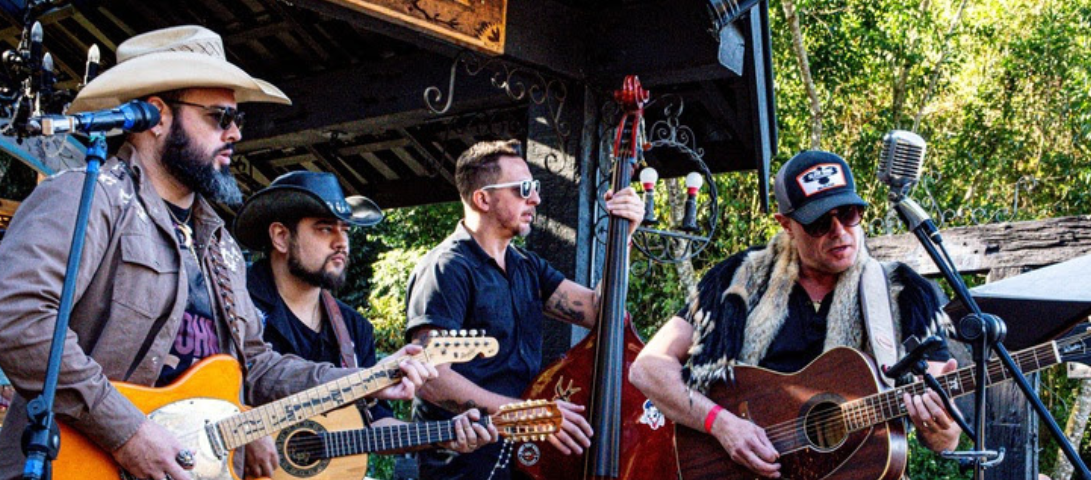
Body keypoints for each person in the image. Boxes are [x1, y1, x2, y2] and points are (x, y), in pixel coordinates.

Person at [0, 26, 435, 480]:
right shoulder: (87, 197)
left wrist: (367, 379)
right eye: (218, 117)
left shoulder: (219, 243)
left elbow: (258, 366)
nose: (234, 134)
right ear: (156, 116)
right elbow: (19, 317)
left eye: (237, 121)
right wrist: (127, 432)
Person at [629, 150, 963, 478]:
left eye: (848, 214)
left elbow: (943, 439)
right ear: (786, 224)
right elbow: (648, 368)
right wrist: (722, 423)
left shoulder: (906, 294)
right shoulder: (738, 281)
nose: (838, 231)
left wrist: (940, 423)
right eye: (819, 222)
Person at [402, 139, 645, 479]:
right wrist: (528, 414)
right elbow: (431, 379)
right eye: (523, 188)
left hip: (520, 457)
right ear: (482, 198)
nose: (536, 198)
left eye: (536, 187)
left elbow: (602, 313)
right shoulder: (446, 268)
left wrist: (625, 236)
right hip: (463, 467)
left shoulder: (526, 266)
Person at [234, 171, 498, 477]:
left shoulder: (352, 327)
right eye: (324, 229)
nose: (341, 243)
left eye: (345, 230)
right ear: (281, 237)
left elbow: (376, 423)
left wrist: (443, 435)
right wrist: (247, 432)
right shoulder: (236, 305)